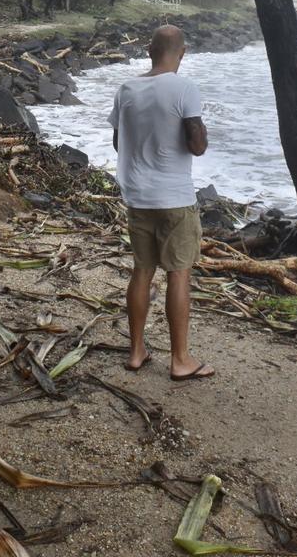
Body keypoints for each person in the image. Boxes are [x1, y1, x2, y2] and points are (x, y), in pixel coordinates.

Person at [108, 25, 213, 380]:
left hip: (137, 195)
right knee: (178, 274)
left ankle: (136, 351)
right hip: (175, 197)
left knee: (142, 271)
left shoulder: (127, 89)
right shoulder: (185, 88)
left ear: (149, 51)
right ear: (181, 53)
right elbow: (197, 146)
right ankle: (180, 359)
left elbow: (118, 143)